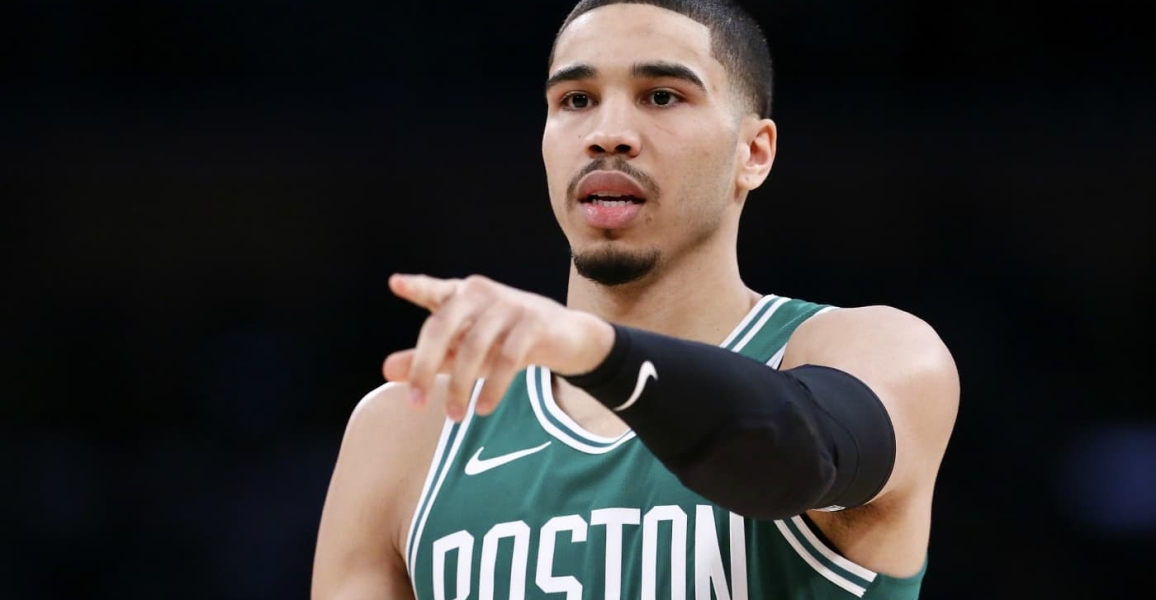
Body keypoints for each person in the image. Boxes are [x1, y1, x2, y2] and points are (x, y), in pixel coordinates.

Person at [312, 0, 960, 598]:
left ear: (754, 152)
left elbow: (793, 459)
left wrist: (599, 352)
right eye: (576, 99)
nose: (608, 133)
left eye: (661, 96)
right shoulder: (411, 430)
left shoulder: (876, 352)